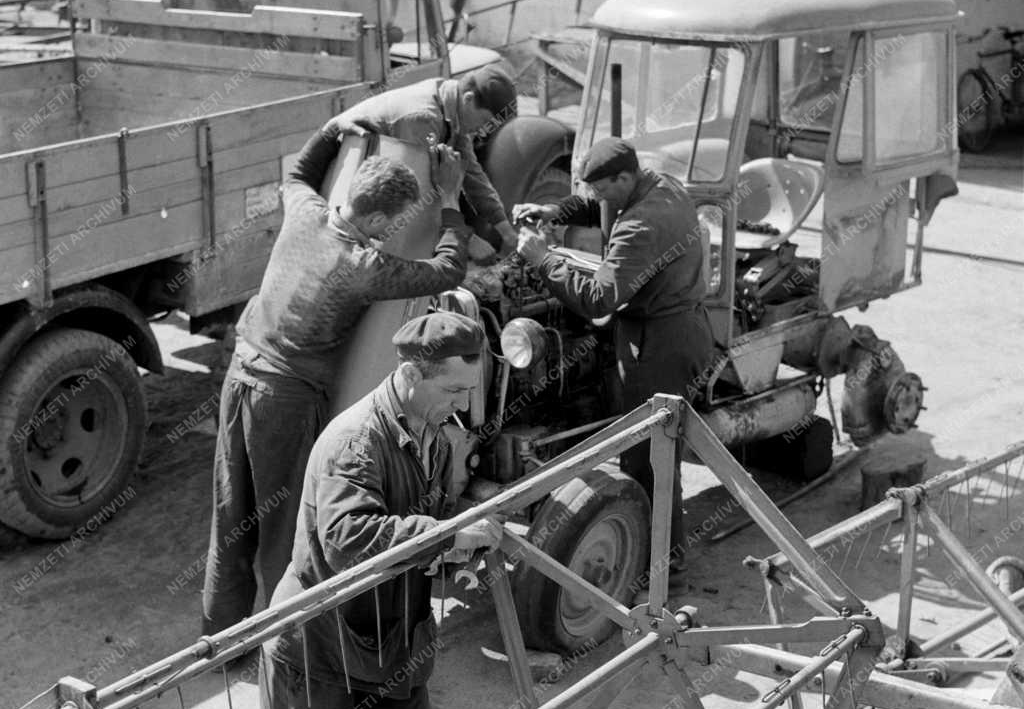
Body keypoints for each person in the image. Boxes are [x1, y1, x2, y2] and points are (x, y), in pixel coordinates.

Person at [260, 311, 517, 709]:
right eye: (452, 390)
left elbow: (425, 521)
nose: (463, 405)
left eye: (469, 391)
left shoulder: (433, 434)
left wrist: (468, 535)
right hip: (320, 648)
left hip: (393, 637)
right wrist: (446, 536)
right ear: (410, 374)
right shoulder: (355, 443)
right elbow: (350, 540)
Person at [201, 128, 472, 637]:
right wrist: (451, 198)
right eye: (396, 224)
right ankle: (289, 643)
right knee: (286, 526)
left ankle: (220, 639)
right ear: (377, 221)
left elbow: (297, 174)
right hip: (284, 399)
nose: (394, 233)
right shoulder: (362, 266)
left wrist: (333, 131)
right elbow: (448, 270)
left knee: (231, 516)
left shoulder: (305, 213)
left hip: (239, 377)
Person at [514, 136, 715, 581]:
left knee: (649, 455)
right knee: (647, 447)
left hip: (660, 343)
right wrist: (556, 212)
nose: (598, 198)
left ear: (624, 178)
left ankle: (662, 562)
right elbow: (598, 207)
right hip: (673, 327)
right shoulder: (661, 184)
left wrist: (543, 260)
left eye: (603, 188)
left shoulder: (642, 224)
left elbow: (599, 299)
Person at [328, 65, 520, 260]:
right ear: (469, 99)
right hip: (342, 187)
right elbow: (417, 192)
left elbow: (472, 175)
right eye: (485, 120)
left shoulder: (454, 106)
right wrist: (467, 238)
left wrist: (505, 229)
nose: (482, 130)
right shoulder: (423, 119)